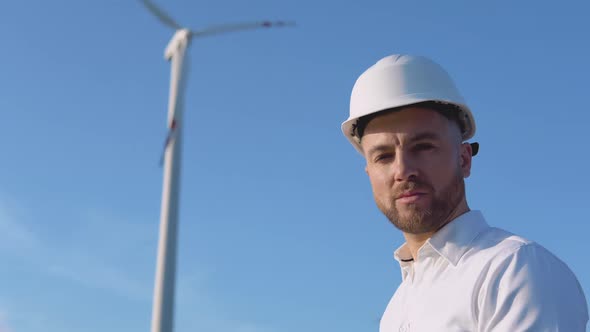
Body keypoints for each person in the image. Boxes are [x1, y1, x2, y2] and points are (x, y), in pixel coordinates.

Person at [341, 54, 588, 331]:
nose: (402, 170)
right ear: (369, 174)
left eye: (423, 147)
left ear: (464, 159)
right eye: (383, 156)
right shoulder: (396, 309)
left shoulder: (513, 270)